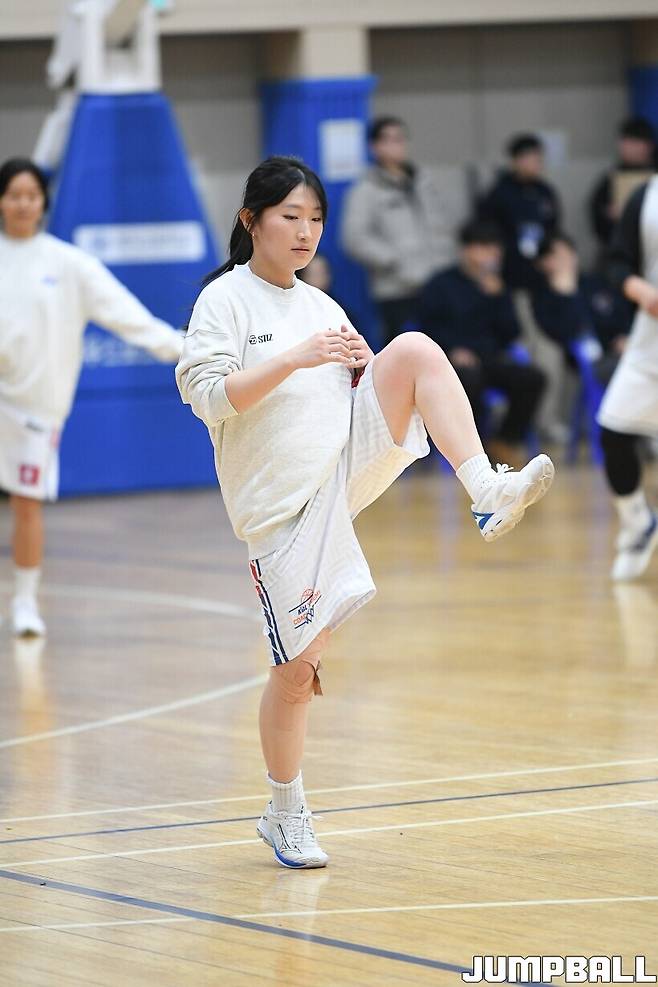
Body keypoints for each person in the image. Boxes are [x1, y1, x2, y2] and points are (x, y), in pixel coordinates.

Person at [177, 156, 555, 870]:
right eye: (291, 216)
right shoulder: (223, 301)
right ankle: (283, 810)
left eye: (316, 219)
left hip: (342, 464)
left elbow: (362, 383)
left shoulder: (323, 305)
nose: (305, 231)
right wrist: (296, 358)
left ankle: (484, 488)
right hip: (281, 506)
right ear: (251, 220)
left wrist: (359, 362)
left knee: (411, 350)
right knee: (298, 671)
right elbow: (211, 399)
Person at [0, 157, 184, 636]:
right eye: (14, 195)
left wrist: (179, 346)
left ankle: (25, 603)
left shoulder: (68, 264)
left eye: (31, 195)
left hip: (35, 406)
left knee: (26, 503)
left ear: (43, 202)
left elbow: (125, 314)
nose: (23, 204)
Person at [417, 220, 546, 460]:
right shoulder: (441, 284)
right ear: (467, 249)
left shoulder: (497, 286)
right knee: (469, 379)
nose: (493, 254)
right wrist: (452, 350)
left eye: (496, 248)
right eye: (485, 247)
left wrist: (498, 298)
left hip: (491, 358)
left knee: (533, 378)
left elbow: (512, 333)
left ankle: (504, 441)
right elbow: (427, 327)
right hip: (452, 361)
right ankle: (471, 448)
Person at [341, 116, 454, 346]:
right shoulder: (366, 189)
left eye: (400, 139)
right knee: (405, 352)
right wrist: (394, 261)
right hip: (397, 290)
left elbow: (441, 225)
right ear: (374, 147)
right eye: (389, 140)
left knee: (443, 351)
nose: (396, 145)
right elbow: (354, 238)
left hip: (437, 285)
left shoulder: (423, 182)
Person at [597, 177, 658, 581]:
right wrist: (640, 289)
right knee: (613, 431)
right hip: (650, 342)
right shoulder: (646, 196)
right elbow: (616, 262)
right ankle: (637, 522)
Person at [533, 232, 633, 384]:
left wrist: (622, 336)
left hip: (624, 345)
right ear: (544, 263)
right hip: (593, 361)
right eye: (558, 257)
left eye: (568, 253)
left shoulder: (594, 282)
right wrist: (569, 296)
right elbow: (571, 333)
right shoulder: (544, 301)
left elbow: (621, 311)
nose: (566, 260)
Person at [479, 133, 561, 291]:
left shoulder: (544, 192)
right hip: (511, 266)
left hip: (541, 263)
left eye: (539, 159)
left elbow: (553, 226)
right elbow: (488, 232)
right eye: (531, 159)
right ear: (517, 160)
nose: (536, 164)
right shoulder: (499, 193)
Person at [589, 116, 657, 251]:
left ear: (647, 146)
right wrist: (609, 214)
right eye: (623, 142)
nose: (625, 148)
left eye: (632, 143)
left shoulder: (655, 175)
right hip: (622, 247)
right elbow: (597, 211)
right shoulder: (611, 178)